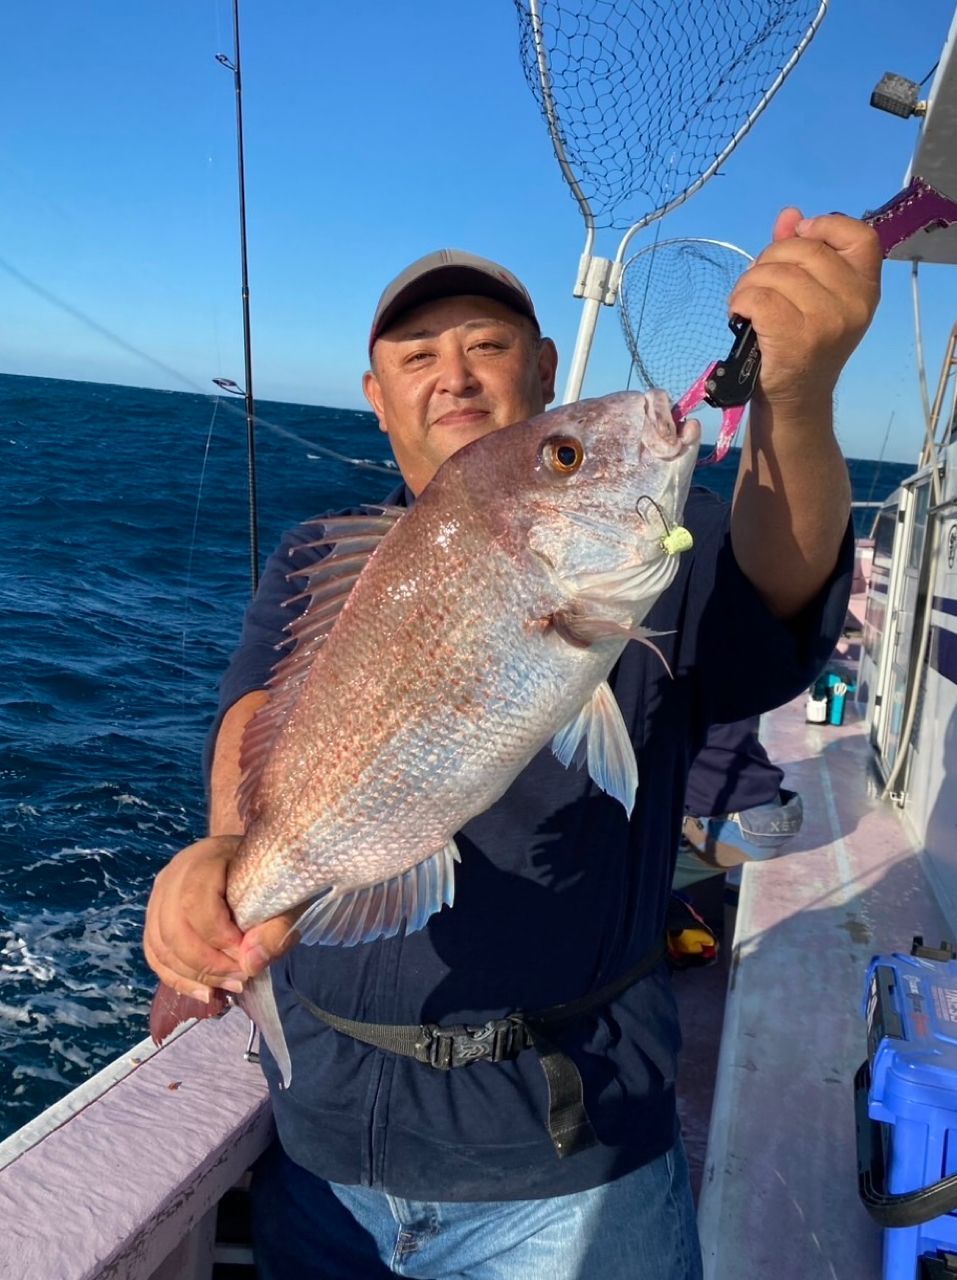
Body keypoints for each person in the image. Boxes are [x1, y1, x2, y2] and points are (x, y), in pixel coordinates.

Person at [144, 213, 880, 1279]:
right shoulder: (317, 553)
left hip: (567, 1158)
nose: (453, 375)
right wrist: (221, 855)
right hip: (323, 1137)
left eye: (486, 347)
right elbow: (259, 713)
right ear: (377, 396)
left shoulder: (663, 554)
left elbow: (783, 585)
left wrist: (796, 400)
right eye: (417, 355)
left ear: (540, 368)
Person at [667, 716, 804, 965]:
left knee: (627, 880)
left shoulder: (658, 694)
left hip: (737, 827)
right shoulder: (705, 682)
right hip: (769, 808)